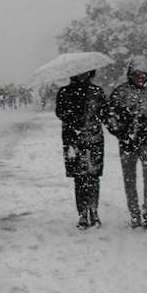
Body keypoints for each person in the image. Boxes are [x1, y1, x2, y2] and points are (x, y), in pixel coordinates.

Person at [105, 59, 147, 232]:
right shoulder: (120, 92)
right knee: (129, 180)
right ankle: (134, 214)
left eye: (143, 75)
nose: (140, 77)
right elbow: (110, 115)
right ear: (130, 75)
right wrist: (120, 132)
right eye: (136, 74)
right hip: (127, 144)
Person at [55, 70, 107, 229]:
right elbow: (60, 112)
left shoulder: (97, 91)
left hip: (94, 138)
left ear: (90, 73)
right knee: (79, 177)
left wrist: (94, 117)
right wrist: (76, 120)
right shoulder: (64, 92)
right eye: (78, 73)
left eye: (85, 73)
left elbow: (104, 112)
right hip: (73, 139)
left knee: (93, 175)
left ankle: (93, 209)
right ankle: (83, 212)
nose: (82, 76)